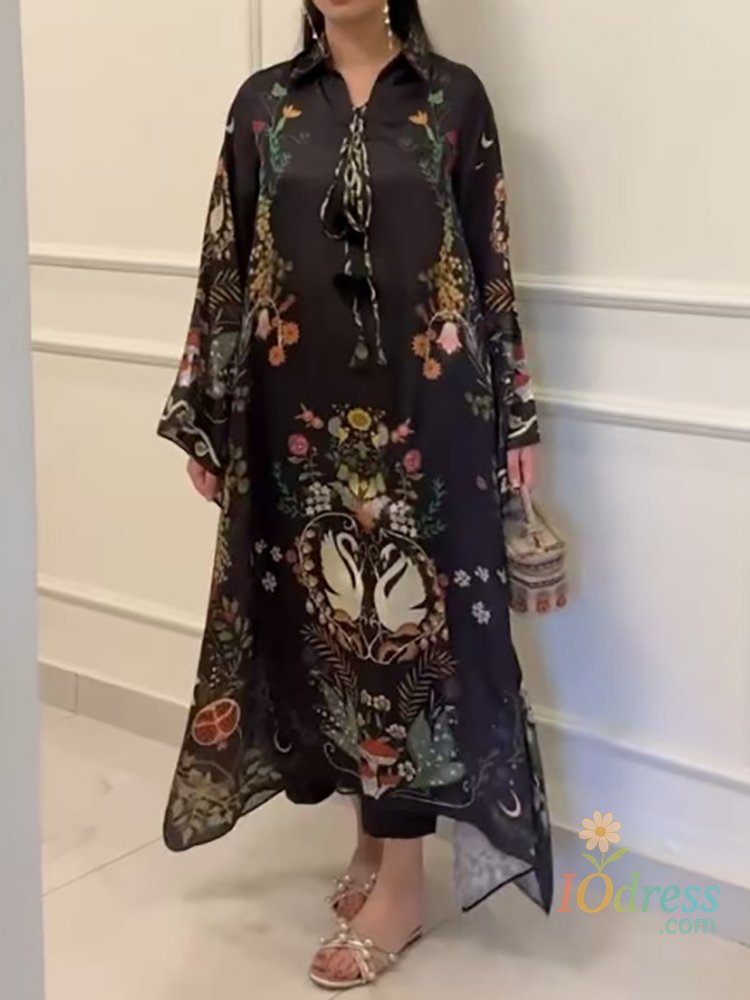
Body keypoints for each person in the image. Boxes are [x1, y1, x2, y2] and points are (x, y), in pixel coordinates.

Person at [157, 0, 553, 988]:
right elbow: (225, 261)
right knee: (327, 627)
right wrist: (210, 411)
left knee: (403, 634)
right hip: (296, 413)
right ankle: (373, 846)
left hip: (431, 413)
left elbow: (491, 262)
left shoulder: (454, 99)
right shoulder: (264, 107)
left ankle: (404, 886)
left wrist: (517, 416)